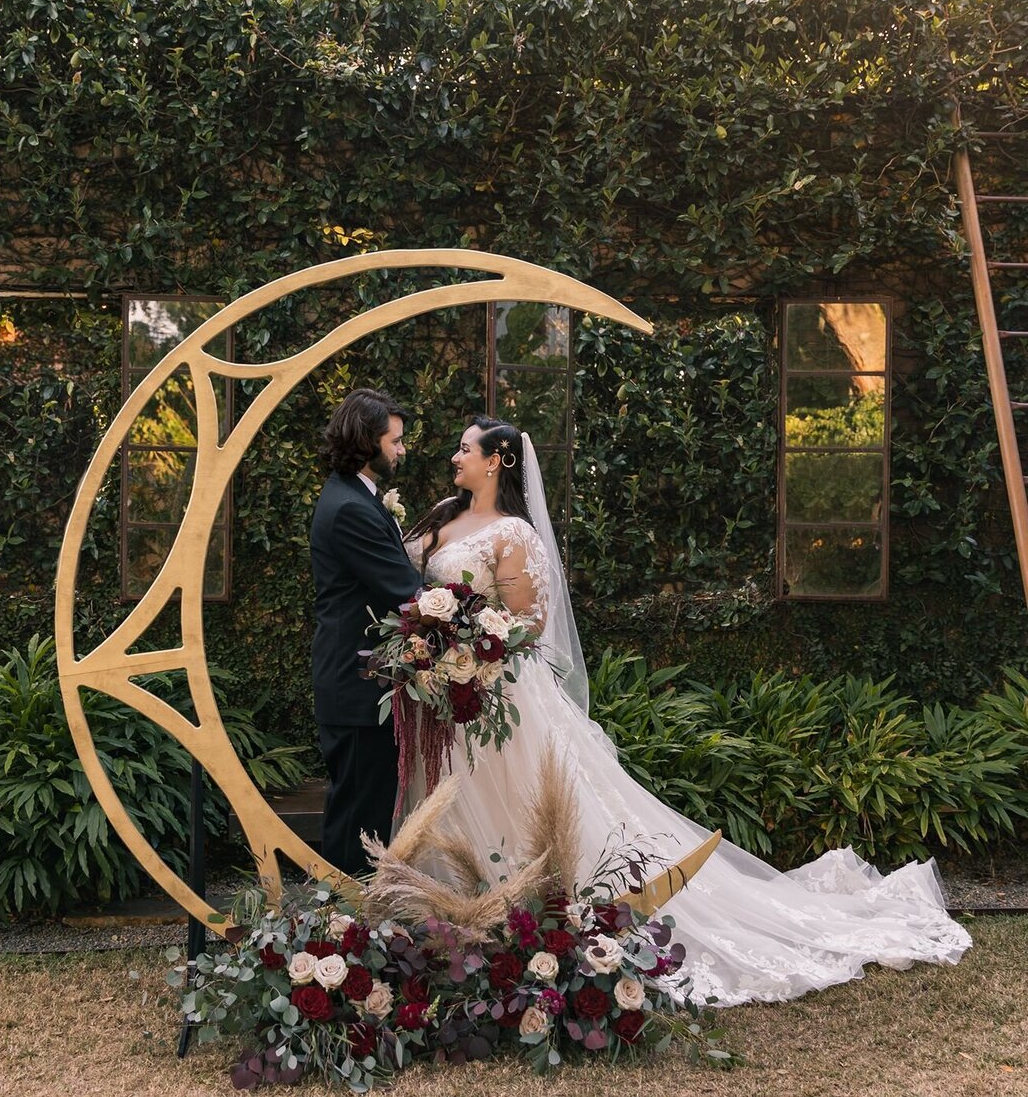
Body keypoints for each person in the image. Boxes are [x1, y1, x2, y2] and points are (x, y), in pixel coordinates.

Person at [399, 416, 971, 1006]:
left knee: (518, 799)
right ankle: (453, 916)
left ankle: (523, 917)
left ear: (496, 461)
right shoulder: (444, 514)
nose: (453, 458)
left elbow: (530, 622)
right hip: (446, 691)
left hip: (500, 693)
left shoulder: (514, 535)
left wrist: (469, 638)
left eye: (464, 449)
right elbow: (400, 573)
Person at [310, 388, 424, 876]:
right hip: (359, 683)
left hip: (363, 681)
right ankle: (340, 918)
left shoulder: (355, 496)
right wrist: (474, 617)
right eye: (395, 440)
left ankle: (351, 922)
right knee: (358, 816)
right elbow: (404, 590)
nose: (401, 450)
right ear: (368, 439)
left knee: (367, 808)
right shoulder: (351, 508)